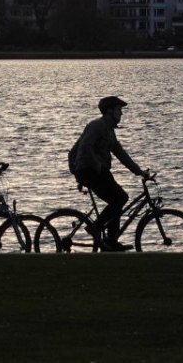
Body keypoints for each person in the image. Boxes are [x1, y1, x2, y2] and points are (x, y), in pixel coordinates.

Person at [68, 96, 149, 252]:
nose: (121, 114)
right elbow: (84, 147)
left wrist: (140, 172)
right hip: (90, 170)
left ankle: (109, 241)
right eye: (119, 110)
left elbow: (121, 154)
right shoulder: (97, 126)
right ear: (109, 111)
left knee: (119, 199)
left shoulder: (109, 131)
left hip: (96, 171)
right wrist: (97, 166)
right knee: (119, 198)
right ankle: (98, 229)